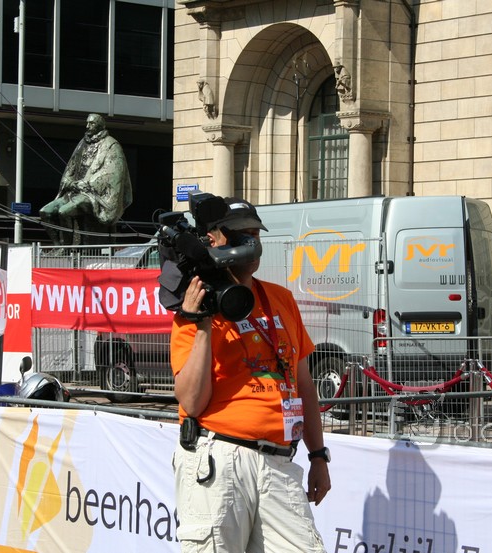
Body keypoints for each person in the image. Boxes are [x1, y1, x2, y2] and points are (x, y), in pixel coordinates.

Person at [170, 197, 331, 552]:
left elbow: (304, 385)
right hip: (220, 456)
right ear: (214, 239)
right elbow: (192, 403)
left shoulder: (281, 299)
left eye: (256, 234)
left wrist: (318, 454)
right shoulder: (193, 306)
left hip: (280, 460)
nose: (252, 243)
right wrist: (201, 324)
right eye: (242, 234)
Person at [39, 113, 133, 247]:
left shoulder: (111, 145)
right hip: (74, 191)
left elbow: (112, 173)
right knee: (45, 212)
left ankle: (67, 247)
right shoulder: (82, 143)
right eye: (87, 123)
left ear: (100, 126)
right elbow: (70, 167)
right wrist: (69, 182)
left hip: (93, 194)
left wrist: (87, 184)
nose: (87, 126)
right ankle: (58, 246)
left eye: (91, 123)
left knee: (63, 211)